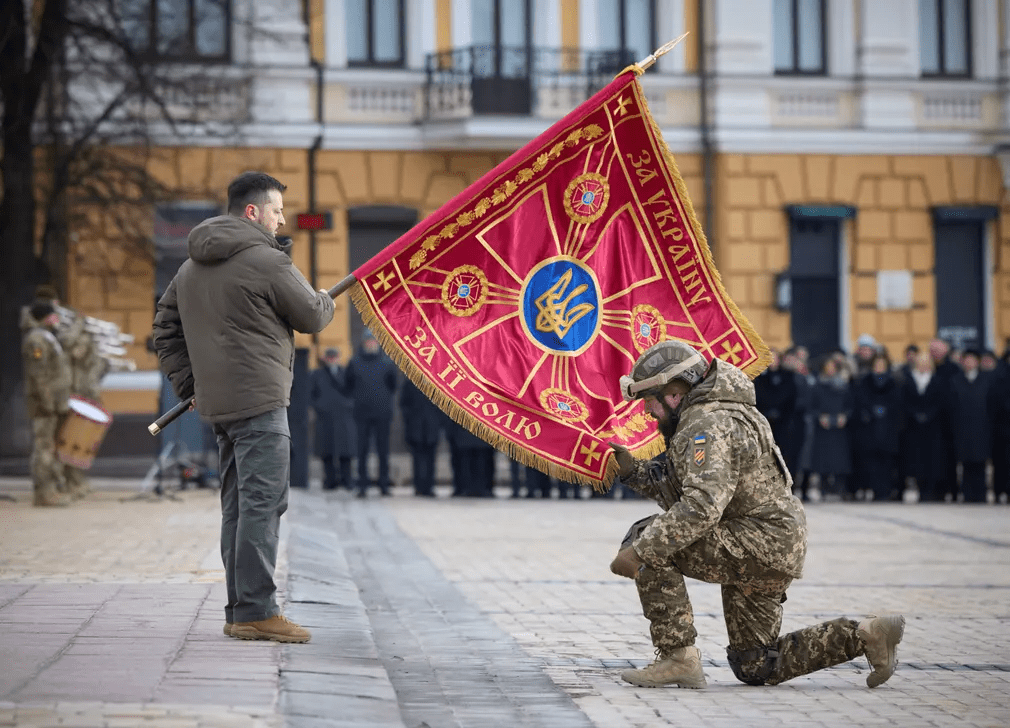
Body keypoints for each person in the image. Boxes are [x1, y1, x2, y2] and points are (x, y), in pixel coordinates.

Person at [607, 340, 904, 689]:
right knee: (756, 664)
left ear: (674, 392)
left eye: (651, 400)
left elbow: (700, 507)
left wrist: (642, 552)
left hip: (757, 541)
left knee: (647, 537)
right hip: (772, 542)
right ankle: (866, 636)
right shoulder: (720, 412)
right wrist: (632, 472)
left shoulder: (707, 424)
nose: (647, 411)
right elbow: (687, 490)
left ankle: (677, 657)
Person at [153, 171, 334, 643]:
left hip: (219, 405)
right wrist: (325, 302)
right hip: (261, 401)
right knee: (262, 503)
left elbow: (164, 329)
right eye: (276, 210)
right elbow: (313, 314)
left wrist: (189, 385)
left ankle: (241, 609)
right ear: (252, 212)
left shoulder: (190, 267)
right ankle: (256, 610)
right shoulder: (265, 261)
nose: (281, 220)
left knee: (237, 507)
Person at [35, 284, 105, 499]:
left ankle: (70, 482)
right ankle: (55, 487)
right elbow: (57, 360)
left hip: (75, 392)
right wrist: (77, 327)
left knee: (78, 440)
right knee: (57, 444)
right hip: (62, 395)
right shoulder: (40, 336)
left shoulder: (51, 335)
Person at [21, 299, 72, 507]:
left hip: (55, 403)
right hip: (45, 406)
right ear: (45, 316)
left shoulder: (47, 337)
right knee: (44, 449)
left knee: (50, 449)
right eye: (53, 314)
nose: (57, 318)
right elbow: (39, 376)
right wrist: (48, 402)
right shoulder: (36, 341)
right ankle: (43, 493)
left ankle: (51, 489)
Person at [344, 329, 399, 497]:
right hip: (361, 413)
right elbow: (348, 384)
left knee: (383, 450)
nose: (371, 343)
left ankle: (383, 484)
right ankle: (362, 485)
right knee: (362, 450)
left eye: (374, 341)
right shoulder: (355, 363)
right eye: (368, 341)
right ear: (363, 343)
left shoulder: (387, 363)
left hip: (382, 413)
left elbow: (393, 385)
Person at [851, 351, 904, 501]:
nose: (879, 367)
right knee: (870, 461)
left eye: (882, 364)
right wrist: (870, 411)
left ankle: (885, 491)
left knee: (887, 462)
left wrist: (885, 411)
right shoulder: (864, 381)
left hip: (888, 429)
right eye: (877, 364)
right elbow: (860, 402)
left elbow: (898, 405)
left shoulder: (895, 382)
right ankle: (872, 489)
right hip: (869, 428)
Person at [899, 351, 947, 502]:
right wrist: (916, 414)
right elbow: (904, 402)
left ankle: (930, 491)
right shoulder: (907, 380)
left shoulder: (937, 380)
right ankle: (920, 489)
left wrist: (928, 415)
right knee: (916, 460)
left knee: (932, 460)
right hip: (913, 427)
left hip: (933, 428)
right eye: (920, 362)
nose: (923, 365)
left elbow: (940, 403)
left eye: (926, 362)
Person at [309, 347, 356, 491]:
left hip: (344, 417)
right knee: (327, 450)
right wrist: (320, 407)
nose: (332, 360)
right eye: (329, 357)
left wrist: (349, 405)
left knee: (345, 451)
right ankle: (329, 481)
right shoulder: (317, 374)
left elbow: (353, 391)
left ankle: (347, 480)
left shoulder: (346, 373)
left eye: (334, 357)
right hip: (326, 418)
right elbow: (311, 394)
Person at [949, 350, 992, 503]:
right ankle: (966, 494)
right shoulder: (956, 380)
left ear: (978, 362)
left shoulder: (986, 380)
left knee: (980, 463)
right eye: (966, 360)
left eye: (972, 360)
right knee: (965, 463)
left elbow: (992, 406)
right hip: (962, 429)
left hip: (981, 428)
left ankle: (981, 494)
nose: (969, 363)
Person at [808, 355, 853, 500]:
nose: (830, 369)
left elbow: (850, 405)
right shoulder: (818, 385)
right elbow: (812, 407)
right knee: (823, 460)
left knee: (840, 460)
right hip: (823, 428)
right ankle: (824, 488)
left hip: (840, 429)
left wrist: (845, 416)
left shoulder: (843, 386)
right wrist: (820, 417)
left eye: (833, 366)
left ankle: (839, 488)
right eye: (827, 366)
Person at [399, 379, 444, 497]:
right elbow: (404, 403)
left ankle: (428, 486)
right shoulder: (411, 381)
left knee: (429, 458)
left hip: (429, 426)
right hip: (418, 426)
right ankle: (420, 486)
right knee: (419, 458)